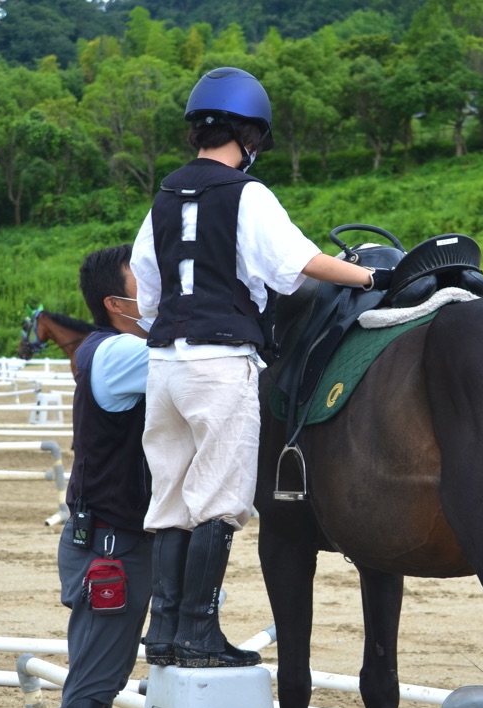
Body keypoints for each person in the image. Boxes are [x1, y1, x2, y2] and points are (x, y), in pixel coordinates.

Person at [131, 66, 391, 670]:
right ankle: (199, 633)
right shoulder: (248, 194)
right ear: (248, 135)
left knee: (169, 497)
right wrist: (374, 276)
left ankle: (164, 631)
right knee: (219, 499)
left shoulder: (165, 195)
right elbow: (297, 264)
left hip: (163, 366)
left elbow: (147, 294)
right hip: (221, 363)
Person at [54, 244, 155, 708]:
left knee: (102, 674)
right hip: (112, 546)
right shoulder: (121, 353)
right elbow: (191, 358)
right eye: (145, 283)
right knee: (95, 681)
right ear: (117, 304)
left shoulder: (116, 349)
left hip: (121, 536)